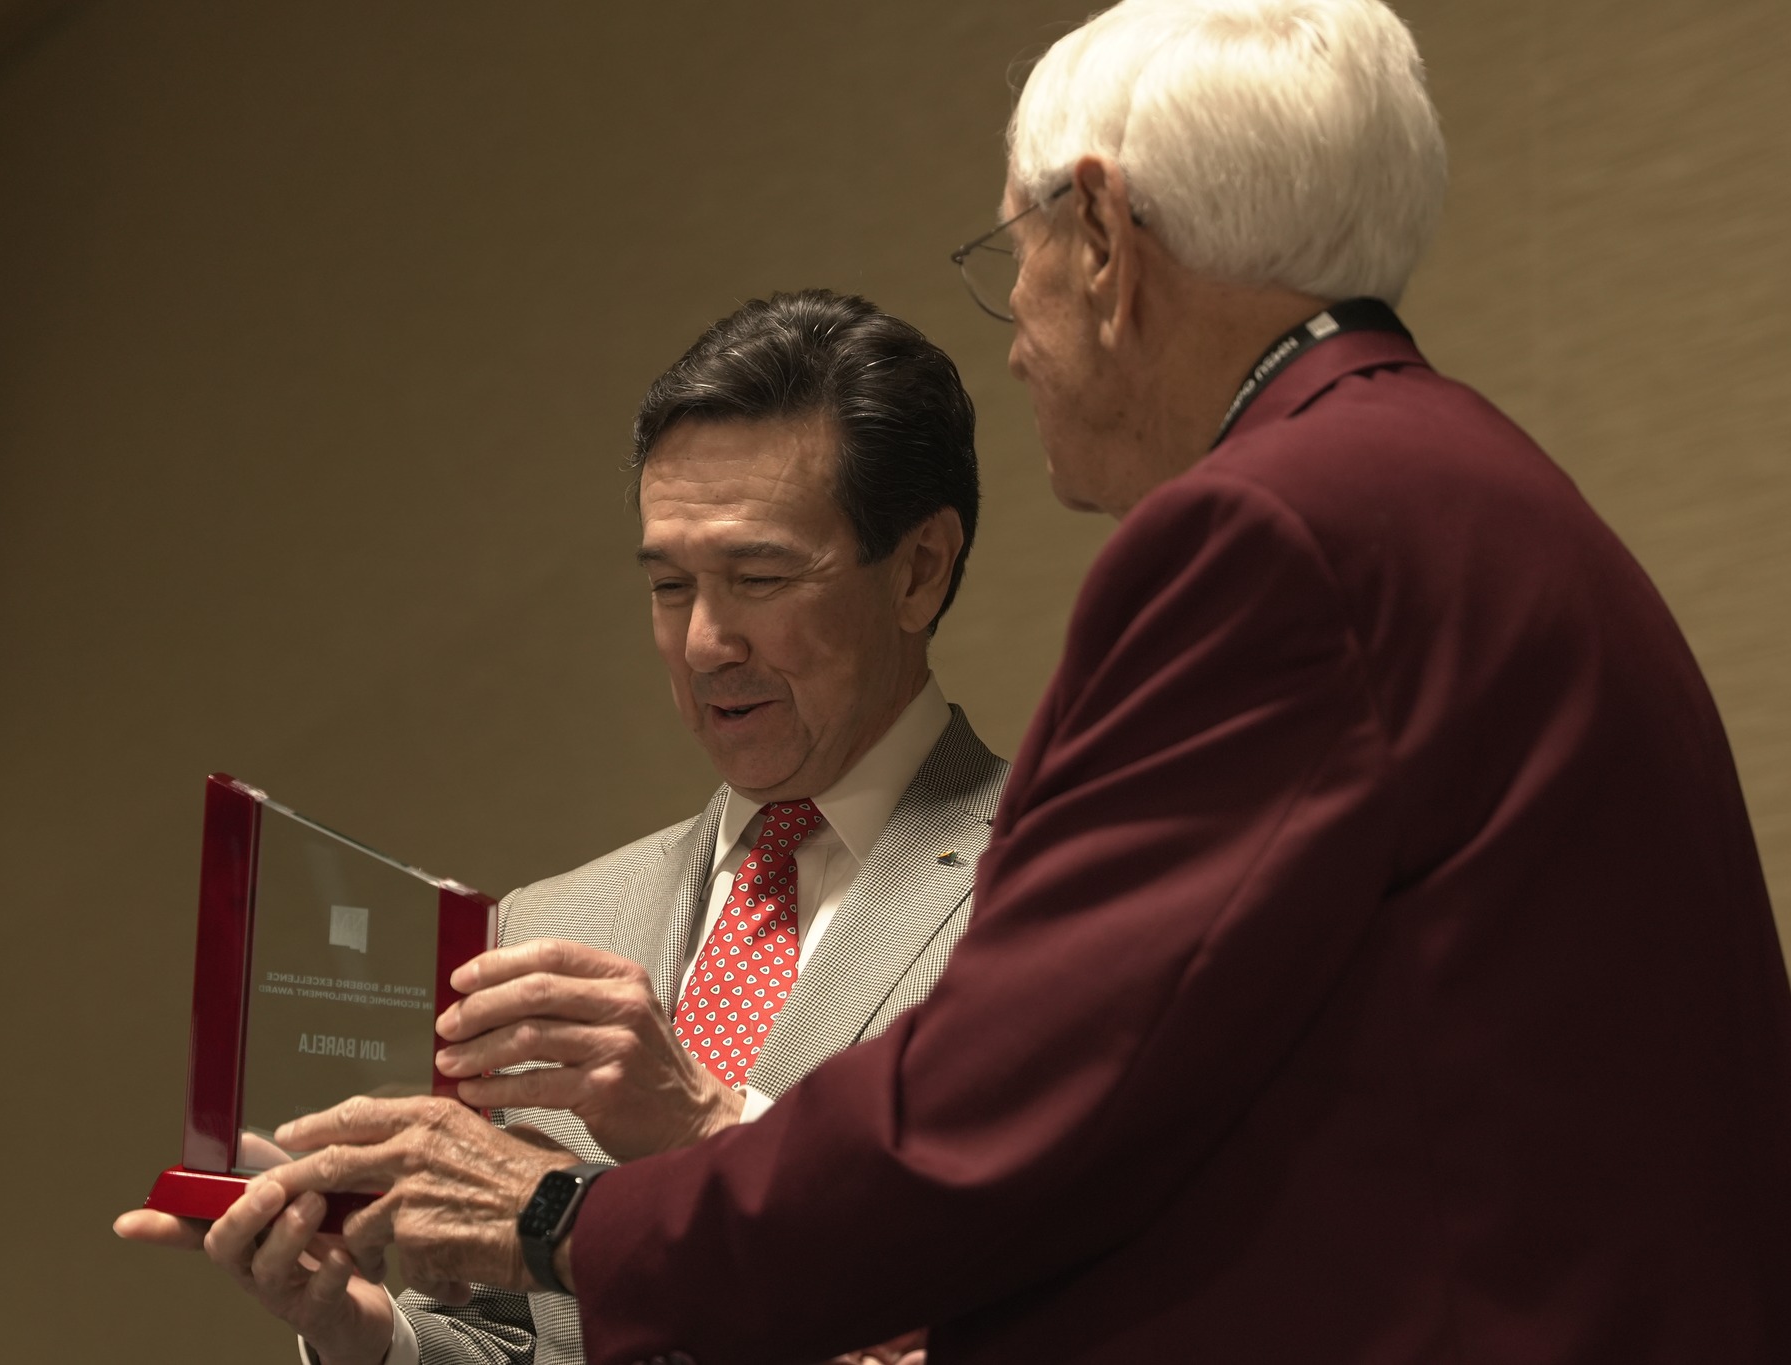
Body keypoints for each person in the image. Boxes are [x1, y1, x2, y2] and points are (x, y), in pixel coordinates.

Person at [237, 1, 1791, 1362]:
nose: (1023, 340)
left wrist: (571, 1215)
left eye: (1016, 261)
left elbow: (998, 1119)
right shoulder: (1472, 484)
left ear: (1106, 243)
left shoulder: (1271, 526)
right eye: (667, 583)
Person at [116, 289, 1004, 1365]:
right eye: (668, 586)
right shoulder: (549, 924)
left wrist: (702, 1126)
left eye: (759, 578)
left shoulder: (1053, 882)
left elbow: (1031, 1295)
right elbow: (520, 1340)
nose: (705, 641)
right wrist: (365, 1334)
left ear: (918, 569)